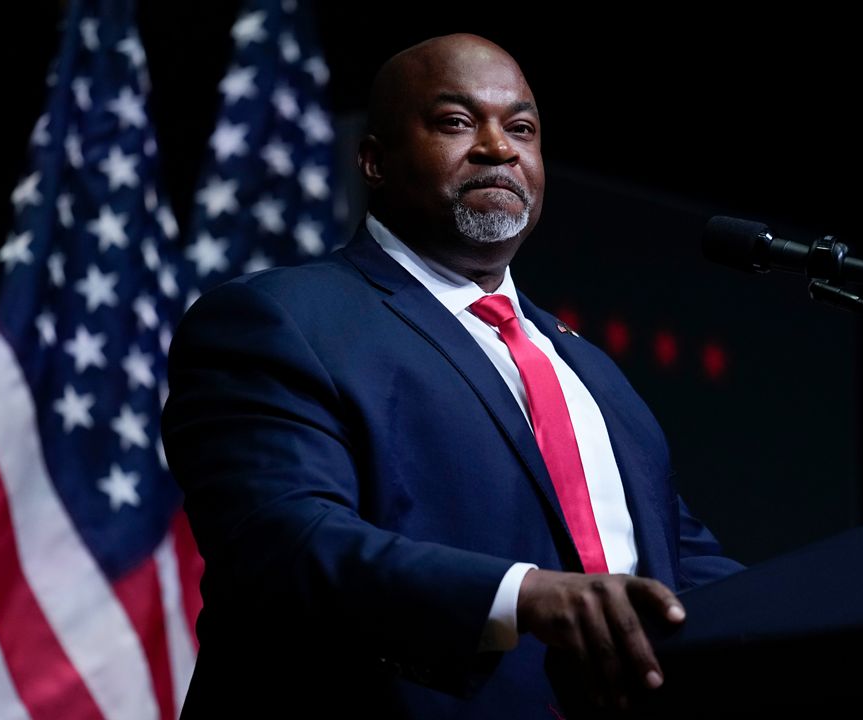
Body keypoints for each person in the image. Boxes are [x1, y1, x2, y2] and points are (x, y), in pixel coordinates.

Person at [161, 33, 743, 718]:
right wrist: (523, 596)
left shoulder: (587, 370)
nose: (499, 148)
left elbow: (685, 575)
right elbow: (286, 546)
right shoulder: (279, 321)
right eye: (457, 123)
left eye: (521, 128)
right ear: (375, 161)